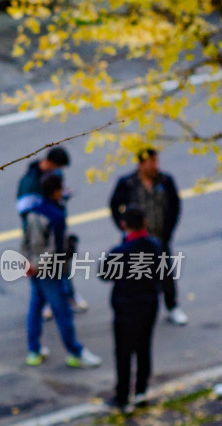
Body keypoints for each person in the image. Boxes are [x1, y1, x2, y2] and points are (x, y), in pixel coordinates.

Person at [21, 173, 101, 368]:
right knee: (62, 311)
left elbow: (26, 239)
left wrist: (27, 262)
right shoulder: (56, 216)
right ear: (56, 190)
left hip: (33, 269)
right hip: (51, 271)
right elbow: (55, 249)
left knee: (36, 307)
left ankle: (34, 350)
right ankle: (75, 352)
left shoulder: (32, 211)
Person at [110, 148, 187, 325]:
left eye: (156, 161)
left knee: (165, 272)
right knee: (135, 274)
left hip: (160, 238)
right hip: (136, 239)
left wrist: (168, 231)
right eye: (151, 162)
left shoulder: (165, 181)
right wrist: (123, 227)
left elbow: (175, 206)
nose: (155, 165)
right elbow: (114, 205)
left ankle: (172, 306)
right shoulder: (128, 183)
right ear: (141, 163)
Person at [98, 206, 161, 412]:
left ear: (124, 225)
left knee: (124, 352)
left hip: (125, 308)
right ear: (145, 222)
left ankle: (123, 396)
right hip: (149, 304)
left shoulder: (120, 252)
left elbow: (105, 274)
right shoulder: (155, 246)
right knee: (144, 348)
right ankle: (141, 391)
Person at [16, 146, 89, 316]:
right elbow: (24, 210)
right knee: (41, 268)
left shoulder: (55, 175)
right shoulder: (29, 181)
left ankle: (68, 295)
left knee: (62, 263)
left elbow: (61, 192)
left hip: (56, 226)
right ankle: (48, 302)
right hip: (39, 234)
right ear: (49, 162)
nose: (60, 171)